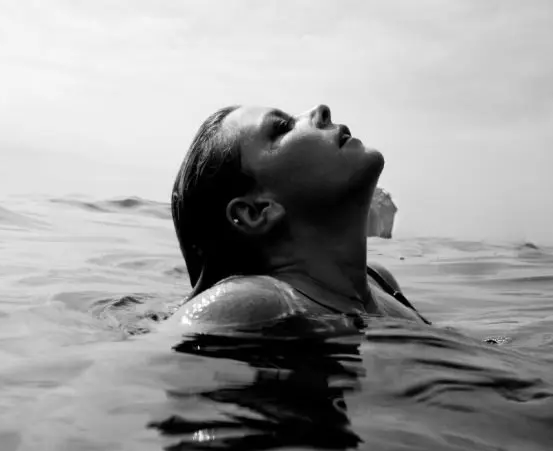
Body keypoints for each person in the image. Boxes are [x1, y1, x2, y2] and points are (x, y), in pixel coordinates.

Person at [165, 104, 431, 329]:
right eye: (283, 128)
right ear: (255, 212)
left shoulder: (379, 281)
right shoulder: (253, 302)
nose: (321, 111)